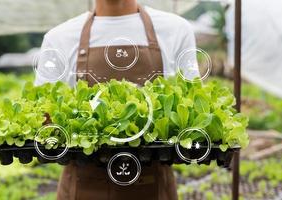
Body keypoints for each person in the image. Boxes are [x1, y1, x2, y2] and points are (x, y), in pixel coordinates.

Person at [35, 0, 197, 199]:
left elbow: (191, 109)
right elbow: (45, 120)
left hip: (153, 188)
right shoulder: (59, 38)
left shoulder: (176, 30)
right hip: (82, 188)